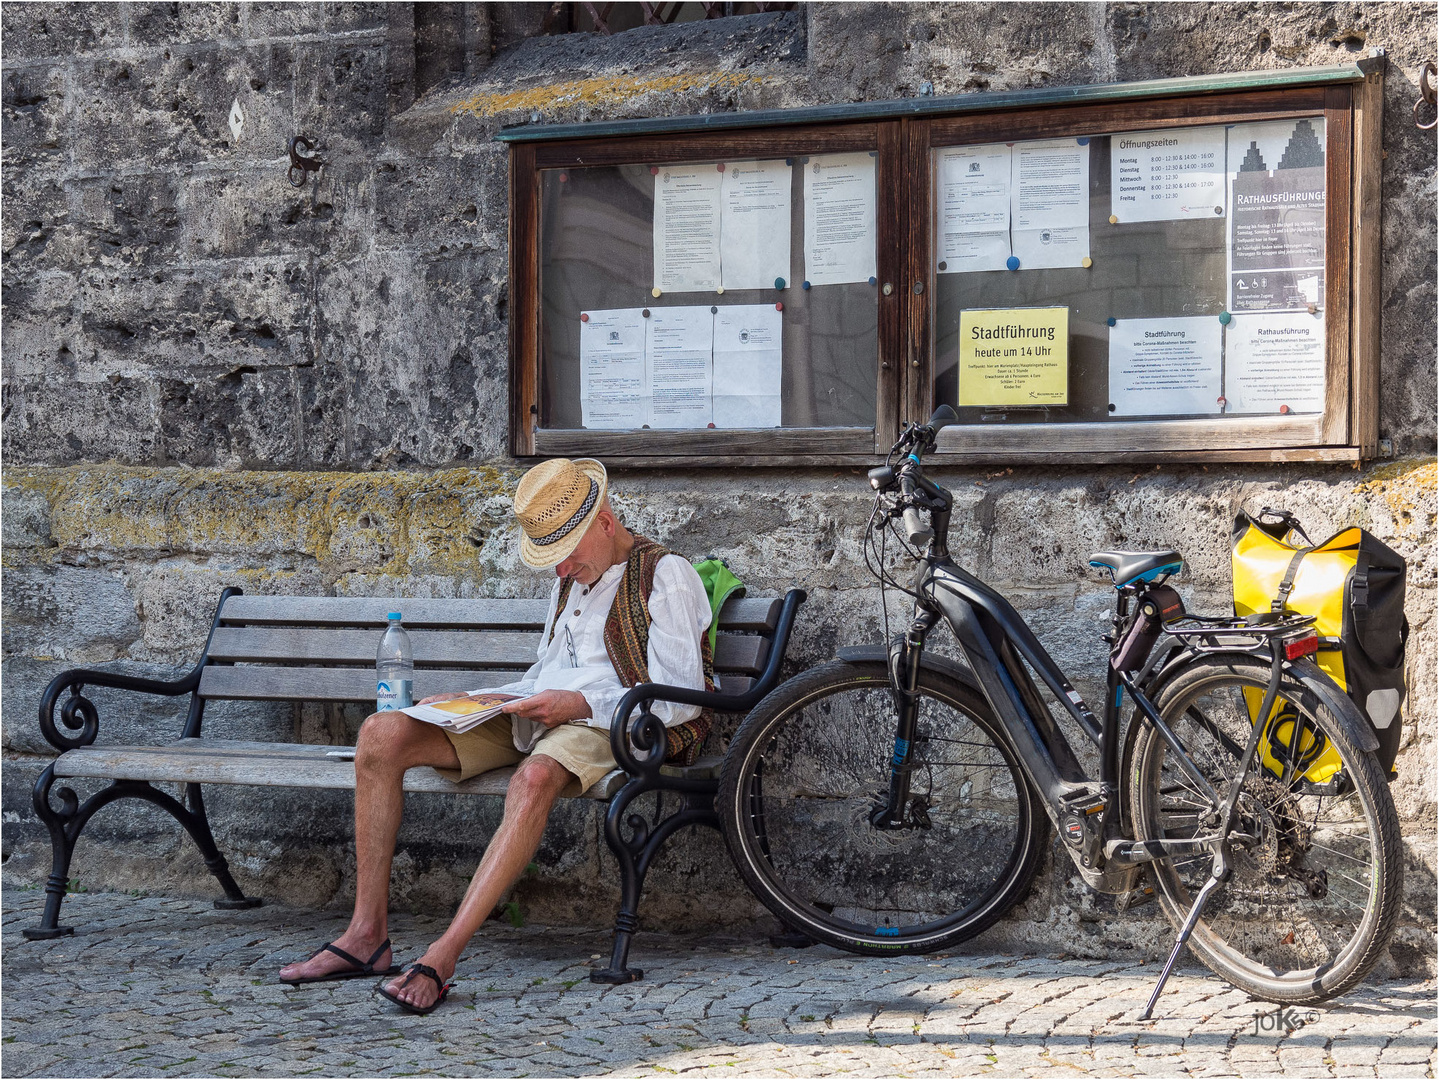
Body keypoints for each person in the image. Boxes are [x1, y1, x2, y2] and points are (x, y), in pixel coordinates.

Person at [277, 458, 713, 1013]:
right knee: (382, 734)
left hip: (622, 722)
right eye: (552, 558)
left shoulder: (666, 573)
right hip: (542, 712)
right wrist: (474, 701)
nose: (560, 569)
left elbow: (675, 699)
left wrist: (578, 703)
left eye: (568, 553)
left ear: (604, 521)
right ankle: (366, 937)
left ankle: (443, 955)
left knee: (533, 777)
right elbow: (546, 673)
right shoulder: (571, 580)